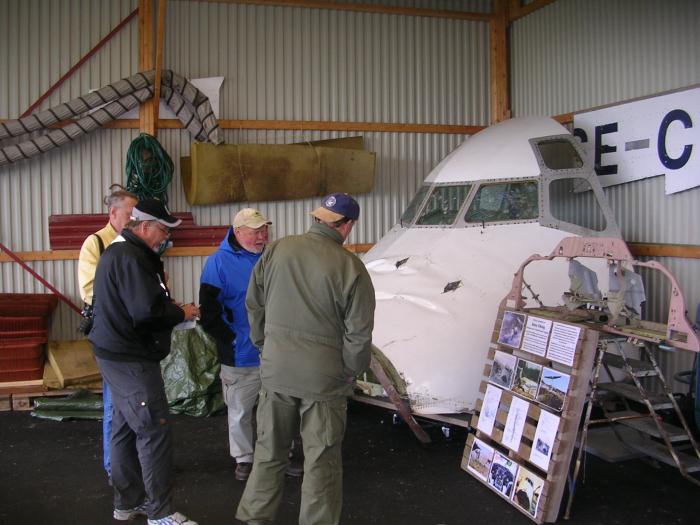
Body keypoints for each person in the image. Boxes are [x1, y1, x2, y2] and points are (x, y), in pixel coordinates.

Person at [236, 193, 376, 525]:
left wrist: (265, 347)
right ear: (348, 226)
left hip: (276, 370)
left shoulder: (277, 249)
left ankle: (254, 518)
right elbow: (359, 334)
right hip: (323, 379)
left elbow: (253, 305)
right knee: (321, 461)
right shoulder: (351, 267)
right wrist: (349, 372)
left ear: (318, 219)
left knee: (269, 454)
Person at [88, 198, 200, 525]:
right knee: (154, 429)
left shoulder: (122, 252)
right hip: (130, 358)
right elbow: (145, 312)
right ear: (145, 225)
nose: (165, 237)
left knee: (124, 430)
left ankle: (127, 503)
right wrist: (182, 312)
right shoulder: (132, 258)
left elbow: (139, 304)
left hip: (113, 353)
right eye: (163, 230)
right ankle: (160, 513)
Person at [199, 208, 272, 481]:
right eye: (255, 231)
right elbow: (208, 313)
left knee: (277, 409)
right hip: (240, 354)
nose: (261, 236)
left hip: (276, 352)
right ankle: (244, 458)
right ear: (238, 231)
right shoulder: (217, 264)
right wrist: (231, 338)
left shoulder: (272, 257)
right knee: (240, 410)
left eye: (264, 230)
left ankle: (276, 456)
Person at [77, 184, 137, 483]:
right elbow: (90, 291)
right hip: (112, 334)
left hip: (135, 334)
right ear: (113, 213)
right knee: (115, 404)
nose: (134, 218)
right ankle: (115, 469)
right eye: (130, 213)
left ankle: (133, 464)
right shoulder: (95, 244)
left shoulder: (134, 242)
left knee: (135, 402)